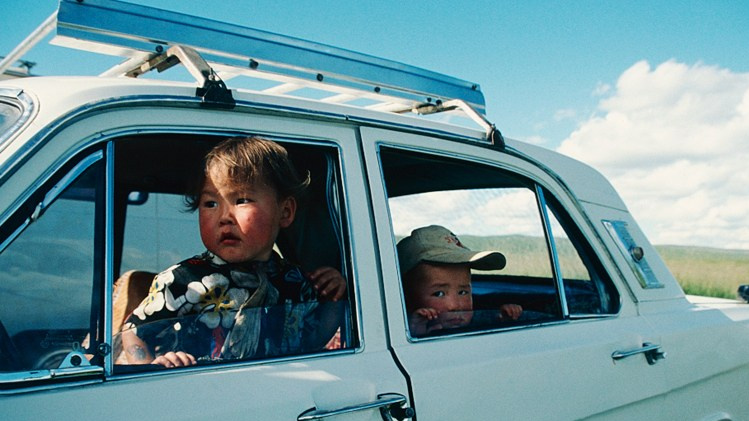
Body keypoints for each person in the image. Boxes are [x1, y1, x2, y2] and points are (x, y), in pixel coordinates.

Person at [120, 136, 345, 368]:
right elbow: (132, 331)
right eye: (210, 204)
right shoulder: (184, 280)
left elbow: (312, 339)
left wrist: (335, 299)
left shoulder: (295, 280)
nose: (224, 217)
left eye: (242, 200)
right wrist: (151, 367)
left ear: (285, 212)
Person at [397, 225, 522, 336]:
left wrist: (505, 321)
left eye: (463, 292)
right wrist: (416, 332)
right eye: (439, 293)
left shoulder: (479, 322)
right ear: (406, 296)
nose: (455, 306)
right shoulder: (401, 335)